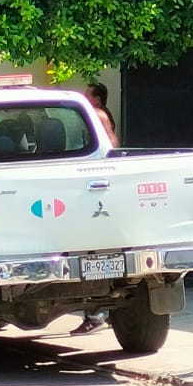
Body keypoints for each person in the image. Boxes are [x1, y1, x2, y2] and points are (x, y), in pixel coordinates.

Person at [73, 83, 119, 337]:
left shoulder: (97, 116)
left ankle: (96, 314)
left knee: (94, 256)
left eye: (88, 95)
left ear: (98, 100)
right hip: (100, 191)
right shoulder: (101, 116)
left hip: (96, 194)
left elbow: (109, 146)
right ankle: (103, 313)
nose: (83, 97)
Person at [88, 82, 119, 146]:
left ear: (97, 100)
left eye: (86, 96)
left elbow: (111, 139)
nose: (84, 98)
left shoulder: (101, 115)